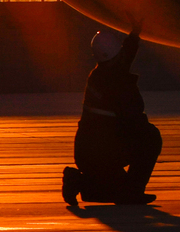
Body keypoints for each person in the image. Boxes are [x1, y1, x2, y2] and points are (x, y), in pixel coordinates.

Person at [62, 24, 163, 205]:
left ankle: (78, 181)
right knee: (151, 137)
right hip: (104, 155)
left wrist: (134, 36)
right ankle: (132, 192)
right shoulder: (120, 84)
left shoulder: (98, 75)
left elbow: (124, 58)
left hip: (86, 153)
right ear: (118, 54)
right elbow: (134, 121)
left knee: (106, 193)